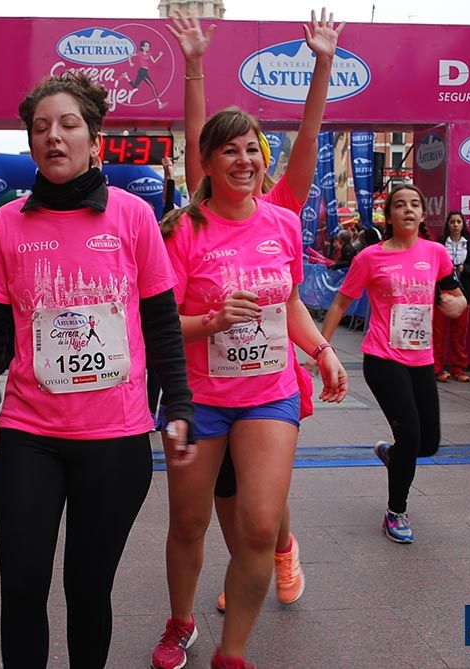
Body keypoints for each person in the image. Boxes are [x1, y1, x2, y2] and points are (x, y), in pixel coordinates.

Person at [0, 71, 193, 669]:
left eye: (68, 125)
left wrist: (180, 408)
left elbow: (162, 322)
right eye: (40, 128)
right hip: (27, 436)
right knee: (22, 589)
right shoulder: (6, 224)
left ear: (95, 138)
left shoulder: (135, 216)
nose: (53, 137)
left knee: (87, 590)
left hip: (113, 440)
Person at [165, 8, 342, 625]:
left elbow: (310, 138)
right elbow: (197, 139)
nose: (242, 161)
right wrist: (193, 68)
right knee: (224, 494)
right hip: (206, 389)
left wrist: (323, 63)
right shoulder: (196, 215)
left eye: (253, 152)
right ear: (212, 166)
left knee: (265, 504)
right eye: (228, 153)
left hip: (267, 385)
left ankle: (278, 553)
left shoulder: (282, 211)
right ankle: (248, 567)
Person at [321, 184, 466, 544]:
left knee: (428, 443)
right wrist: (322, 349)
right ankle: (395, 512)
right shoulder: (370, 257)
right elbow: (340, 304)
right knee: (411, 434)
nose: (408, 210)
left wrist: (457, 305)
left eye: (415, 204)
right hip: (383, 358)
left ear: (422, 214)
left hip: (421, 359)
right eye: (400, 204)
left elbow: (458, 296)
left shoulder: (435, 254)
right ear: (389, 214)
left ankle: (392, 454)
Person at [433, 210, 470, 382]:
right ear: (447, 224)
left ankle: (458, 368)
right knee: (438, 333)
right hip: (442, 292)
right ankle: (437, 368)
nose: (455, 225)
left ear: (463, 224)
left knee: (459, 334)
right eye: (452, 222)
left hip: (462, 293)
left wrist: (465, 269)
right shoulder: (439, 244)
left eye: (458, 222)